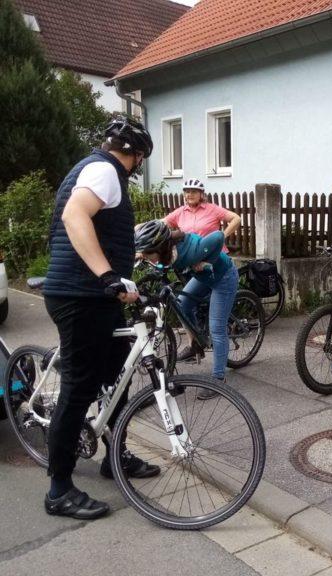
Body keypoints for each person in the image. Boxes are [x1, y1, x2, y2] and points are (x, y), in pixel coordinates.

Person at [42, 117, 158, 520]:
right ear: (137, 155)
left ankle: (115, 457)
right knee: (79, 387)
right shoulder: (105, 172)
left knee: (117, 378)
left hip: (92, 295)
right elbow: (76, 217)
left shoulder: (96, 169)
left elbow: (102, 229)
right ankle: (59, 490)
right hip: (80, 296)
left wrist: (133, 261)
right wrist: (108, 276)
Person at [134, 220, 239, 400]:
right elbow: (138, 232)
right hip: (204, 277)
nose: (146, 256)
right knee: (182, 303)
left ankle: (218, 379)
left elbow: (218, 236)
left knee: (217, 329)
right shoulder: (165, 251)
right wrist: (140, 255)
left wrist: (206, 261)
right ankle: (195, 343)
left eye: (148, 253)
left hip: (223, 277)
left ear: (160, 248)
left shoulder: (190, 252)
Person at [163, 178, 241, 361]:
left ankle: (215, 330)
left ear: (201, 194)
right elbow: (161, 224)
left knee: (216, 322)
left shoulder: (212, 209)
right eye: (186, 191)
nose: (189, 194)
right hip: (194, 265)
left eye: (193, 191)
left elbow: (236, 218)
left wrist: (222, 235)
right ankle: (194, 343)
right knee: (183, 303)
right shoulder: (180, 213)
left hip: (215, 263)